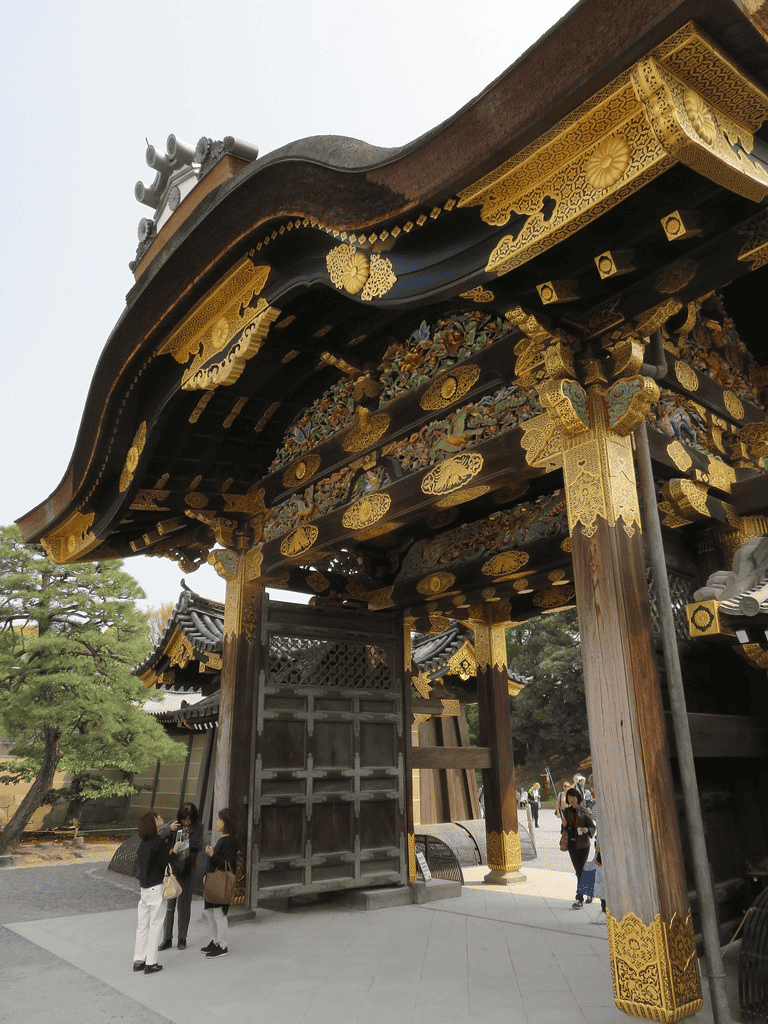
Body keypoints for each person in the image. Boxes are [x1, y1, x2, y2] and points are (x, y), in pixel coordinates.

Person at [158, 801, 204, 952]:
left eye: (189, 819)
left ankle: (182, 937)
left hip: (187, 871)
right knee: (170, 905)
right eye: (184, 819)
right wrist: (169, 830)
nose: (186, 822)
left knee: (184, 906)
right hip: (172, 870)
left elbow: (194, 849)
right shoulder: (173, 826)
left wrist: (184, 843)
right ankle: (167, 938)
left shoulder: (198, 828)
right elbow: (158, 837)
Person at [133, 811, 174, 974]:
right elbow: (165, 862)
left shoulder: (143, 843)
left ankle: (139, 959)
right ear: (153, 822)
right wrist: (174, 851)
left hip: (144, 890)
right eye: (157, 817)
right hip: (156, 889)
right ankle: (151, 962)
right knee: (155, 926)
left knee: (142, 926)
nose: (161, 817)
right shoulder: (158, 842)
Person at [202, 807, 239, 959]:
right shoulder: (223, 838)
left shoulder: (229, 841)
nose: (217, 822)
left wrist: (212, 854)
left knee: (219, 914)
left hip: (221, 882)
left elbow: (227, 863)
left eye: (219, 820)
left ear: (226, 823)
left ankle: (223, 945)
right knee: (210, 912)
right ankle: (215, 940)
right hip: (214, 881)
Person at [560, 787, 596, 909]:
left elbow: (592, 827)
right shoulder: (566, 811)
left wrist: (587, 830)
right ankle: (590, 892)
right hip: (572, 845)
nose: (571, 800)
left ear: (578, 797)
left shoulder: (583, 811)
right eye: (568, 798)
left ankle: (579, 898)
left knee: (580, 870)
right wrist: (563, 825)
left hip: (583, 844)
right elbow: (564, 830)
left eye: (573, 797)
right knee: (579, 871)